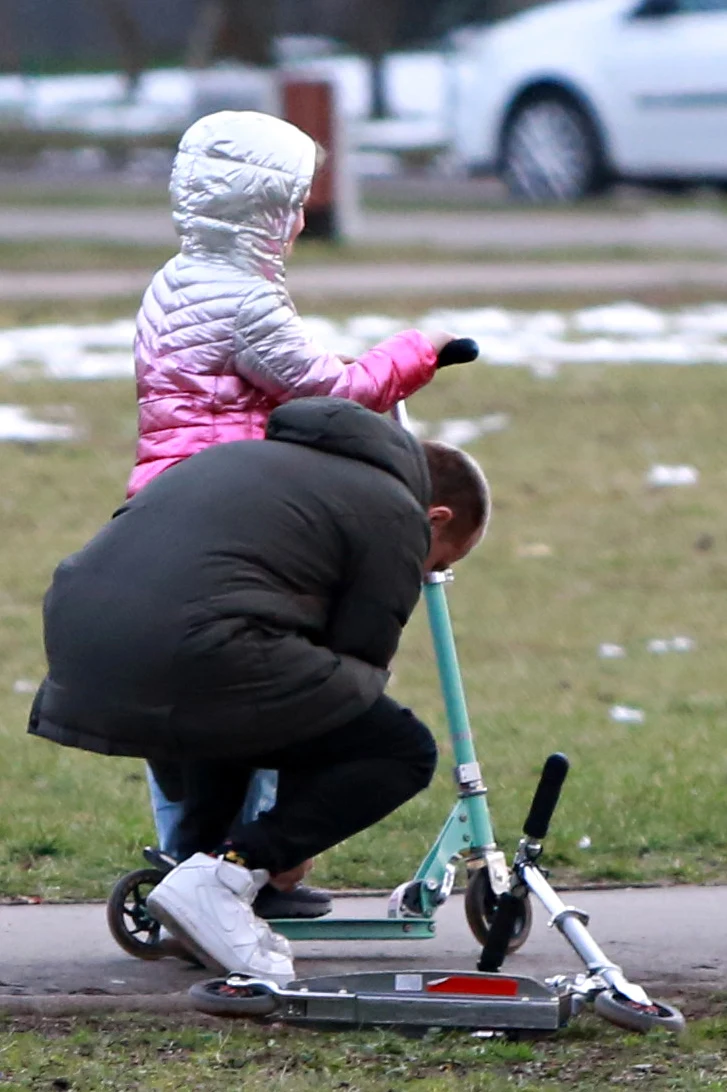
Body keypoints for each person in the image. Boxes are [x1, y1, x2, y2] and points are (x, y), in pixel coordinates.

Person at [29, 397, 490, 984]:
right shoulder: (394, 510)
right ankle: (228, 877)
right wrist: (287, 840)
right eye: (437, 563)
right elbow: (351, 672)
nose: (424, 575)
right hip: (194, 650)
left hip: (85, 643)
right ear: (438, 519)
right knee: (399, 750)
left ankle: (191, 879)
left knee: (238, 701)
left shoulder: (247, 457)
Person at [128, 108, 456, 911]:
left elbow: (255, 382)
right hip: (234, 510)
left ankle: (201, 863)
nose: (304, 219)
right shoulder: (244, 299)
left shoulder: (173, 282)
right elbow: (331, 392)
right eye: (295, 204)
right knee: (283, 694)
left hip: (161, 501)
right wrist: (415, 354)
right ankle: (245, 868)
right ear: (261, 211)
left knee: (218, 717)